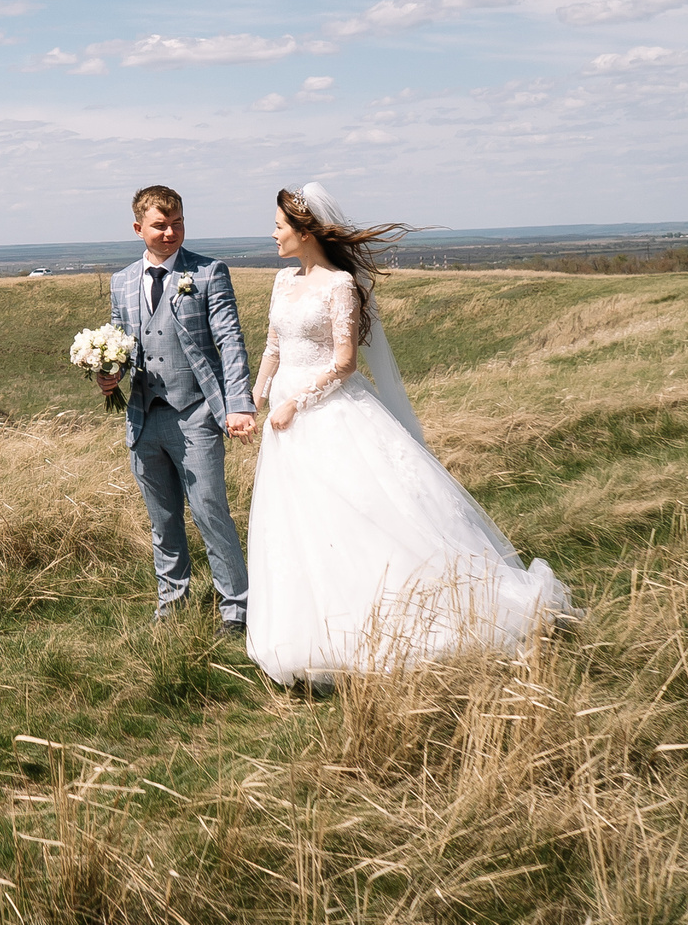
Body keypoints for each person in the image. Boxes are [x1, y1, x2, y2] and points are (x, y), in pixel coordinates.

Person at [246, 182, 574, 686]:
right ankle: (307, 636)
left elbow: (345, 363)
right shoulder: (283, 282)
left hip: (327, 412)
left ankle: (389, 630)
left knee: (357, 517)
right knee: (296, 524)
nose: (272, 235)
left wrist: (296, 401)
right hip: (283, 423)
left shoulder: (339, 286)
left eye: (279, 226)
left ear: (305, 232)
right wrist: (258, 395)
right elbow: (273, 344)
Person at [102, 184, 256, 634]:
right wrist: (105, 374)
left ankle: (237, 609)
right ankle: (172, 605)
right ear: (138, 228)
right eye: (160, 225)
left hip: (197, 414)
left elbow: (230, 342)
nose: (171, 233)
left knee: (211, 511)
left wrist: (238, 404)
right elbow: (120, 341)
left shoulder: (208, 273)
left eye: (178, 223)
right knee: (162, 519)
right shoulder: (122, 281)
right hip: (144, 417)